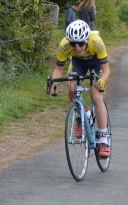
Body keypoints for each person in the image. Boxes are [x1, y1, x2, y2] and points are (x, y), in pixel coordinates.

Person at [48, 20, 110, 157]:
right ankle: (82, 114)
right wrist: (53, 85)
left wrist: (101, 81)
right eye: (73, 44)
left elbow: (106, 69)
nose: (77, 48)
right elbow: (59, 68)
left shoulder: (96, 42)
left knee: (96, 96)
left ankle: (103, 138)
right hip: (78, 64)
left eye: (81, 44)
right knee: (71, 84)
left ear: (87, 39)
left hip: (96, 64)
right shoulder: (64, 45)